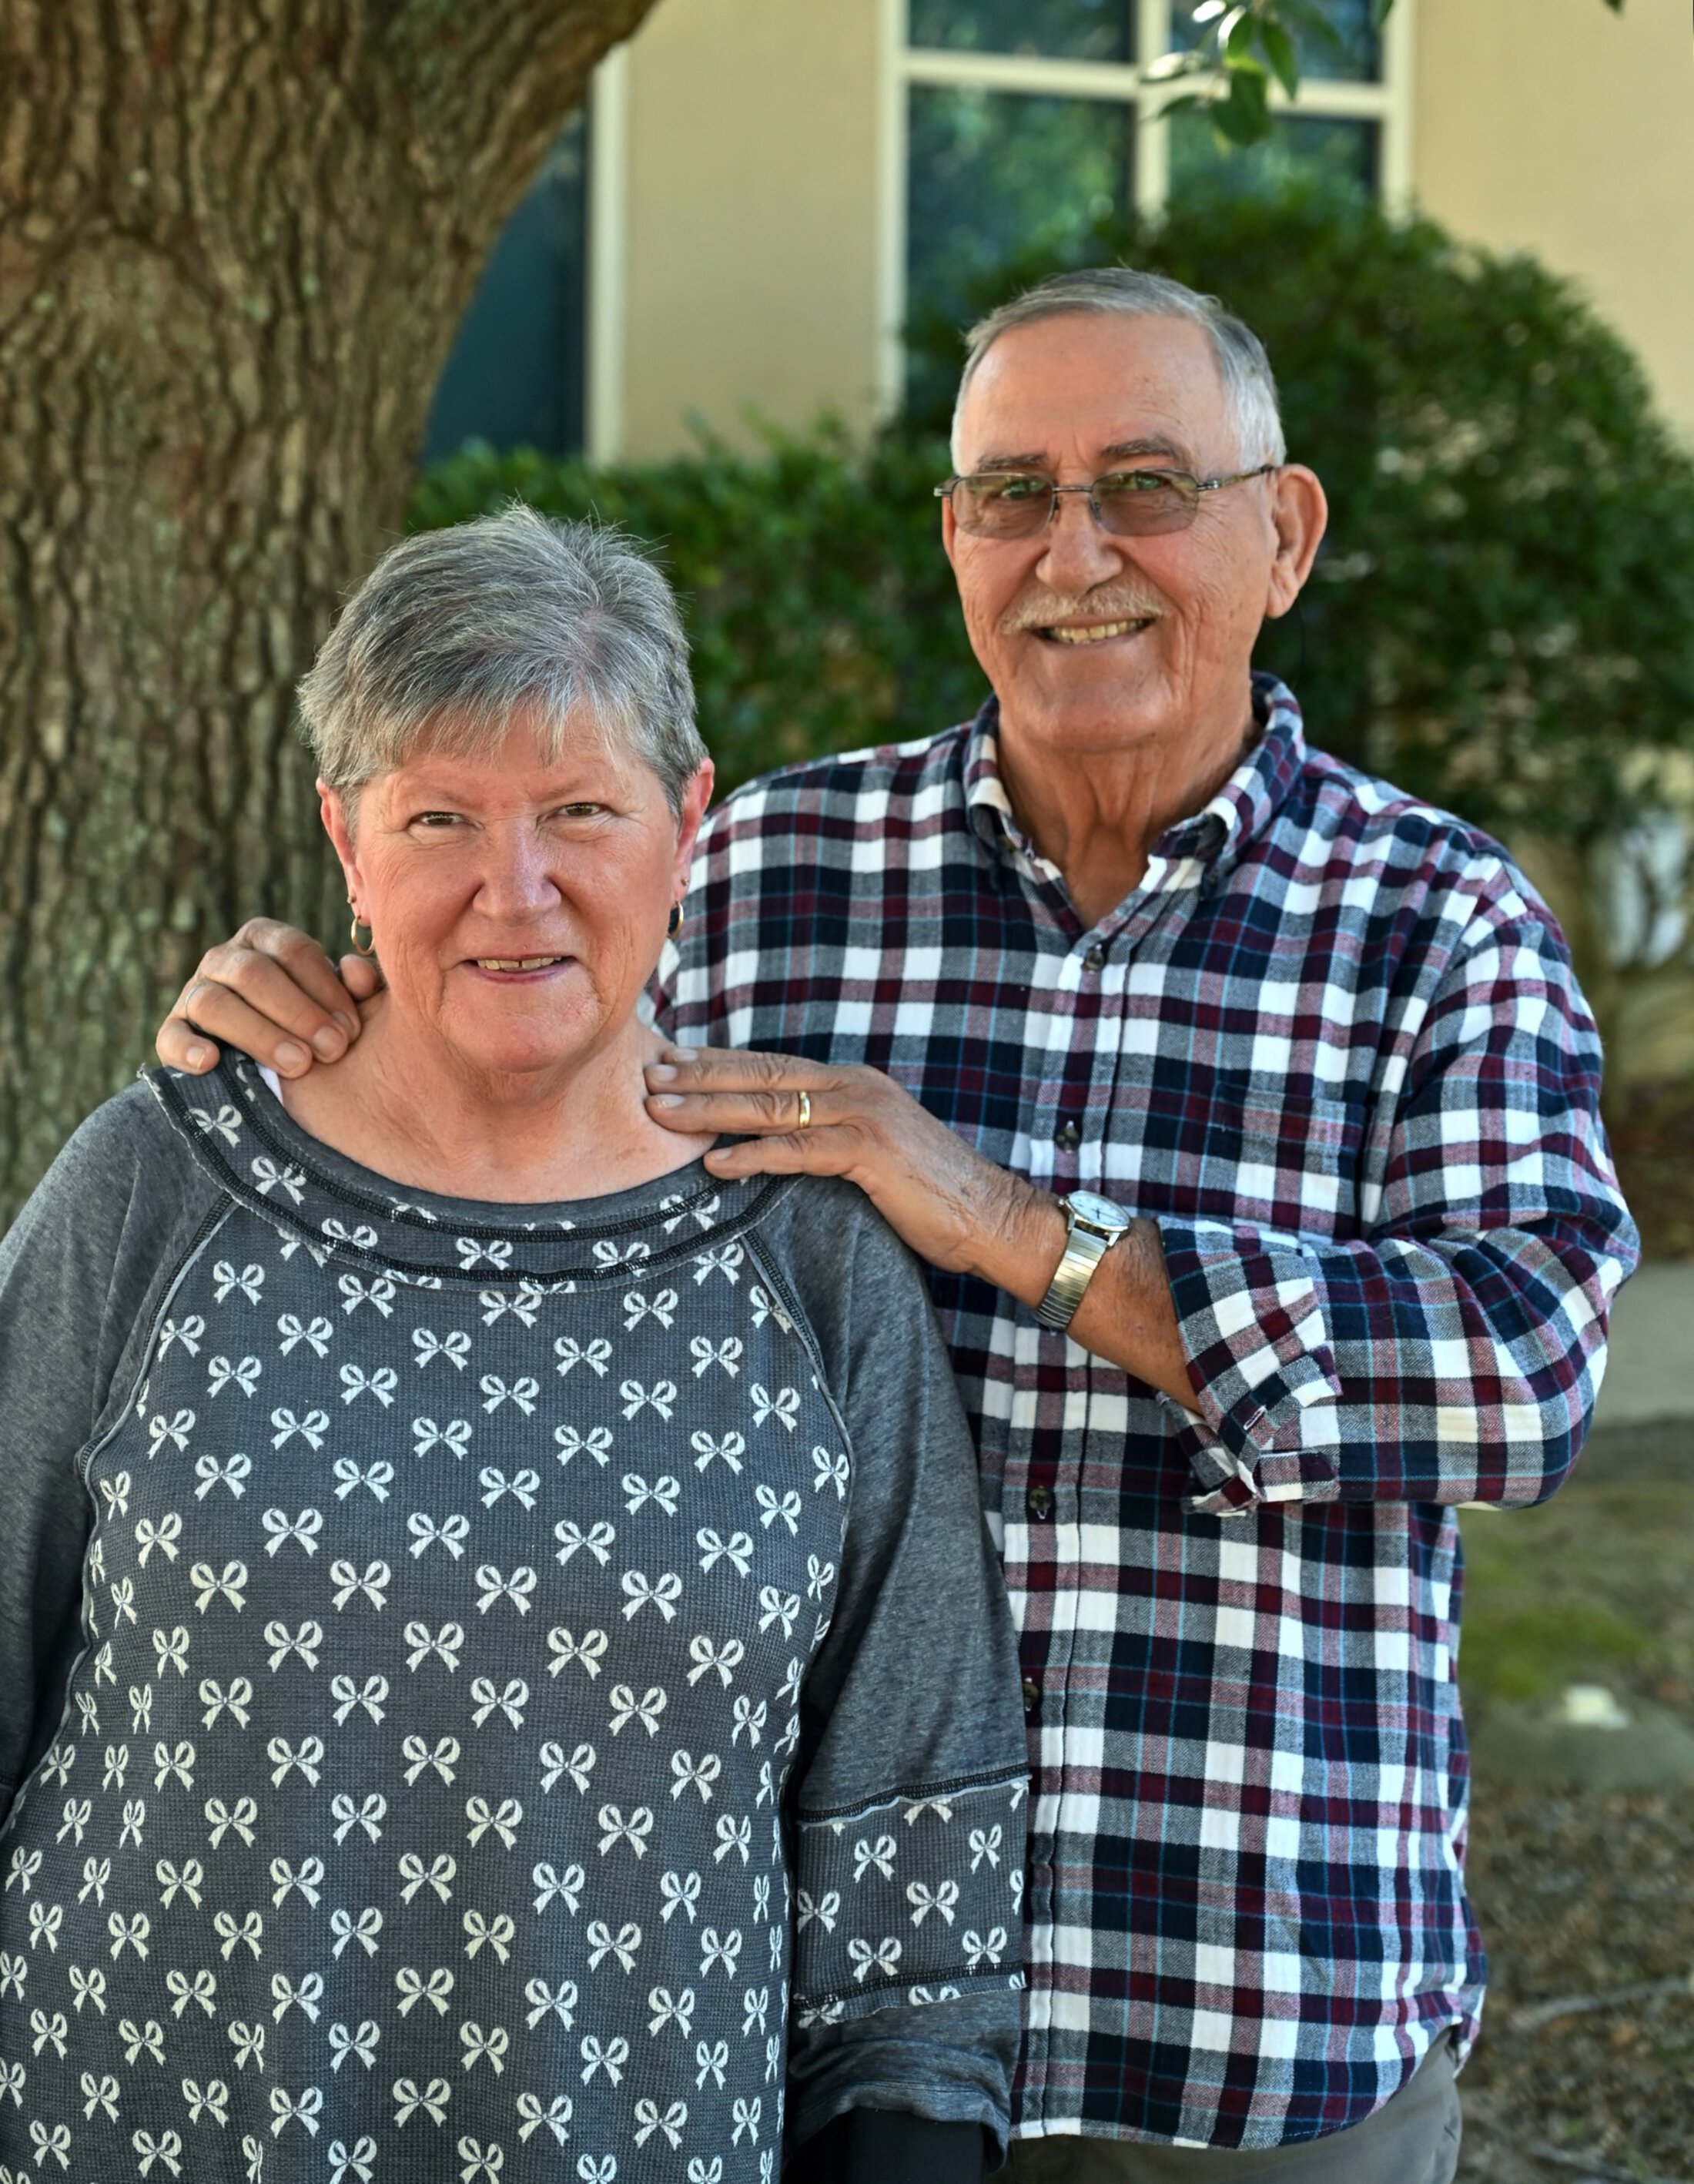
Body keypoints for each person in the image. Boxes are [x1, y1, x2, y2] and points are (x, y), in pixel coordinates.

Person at [156, 270, 1641, 2181]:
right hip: (785, 2025)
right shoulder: (767, 877)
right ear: (951, 540)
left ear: (1282, 534)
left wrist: (1008, 1222)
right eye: (1009, 492)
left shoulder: (1434, 922)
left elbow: (1519, 1374)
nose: (1071, 551)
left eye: (1142, 486)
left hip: (1253, 2033)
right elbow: (488, 1088)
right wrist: (281, 1029)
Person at [0, 510, 1032, 2184]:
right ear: (346, 839)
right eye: (438, 818)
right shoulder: (155, 1187)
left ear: (686, 824)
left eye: (577, 811)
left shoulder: (815, 1253)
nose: (515, 888)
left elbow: (916, 1849)